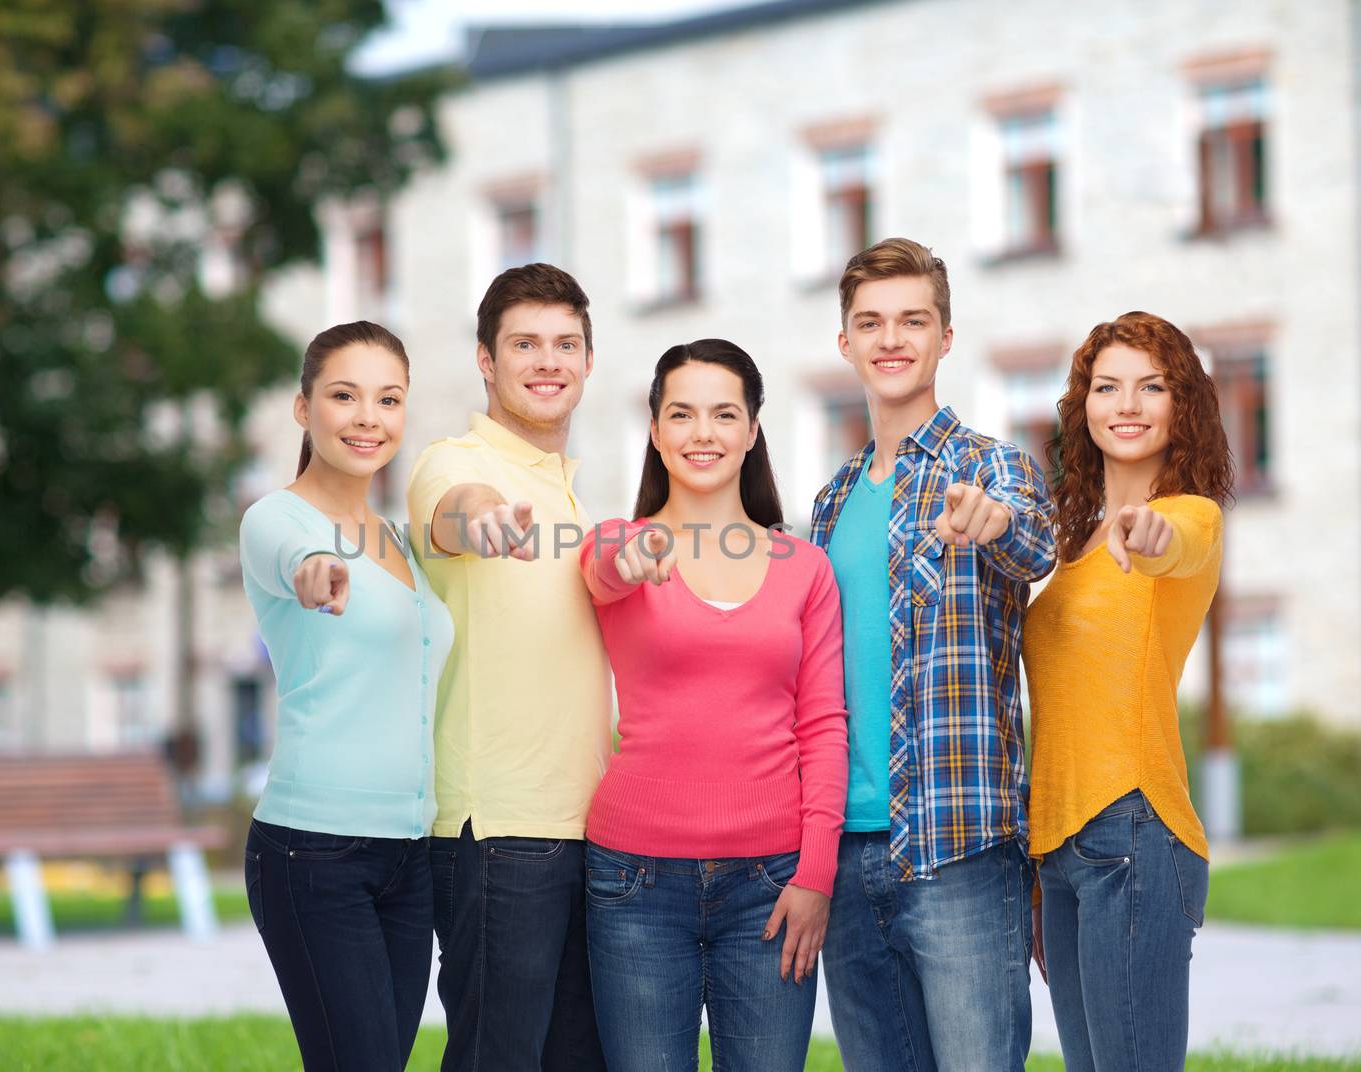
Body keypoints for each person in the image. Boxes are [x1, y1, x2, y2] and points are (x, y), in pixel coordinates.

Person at [810, 237, 1055, 1071]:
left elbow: (1032, 543)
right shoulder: (831, 500)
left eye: (913, 320)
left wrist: (992, 521)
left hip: (960, 846)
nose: (891, 339)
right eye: (870, 322)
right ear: (844, 341)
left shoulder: (992, 468)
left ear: (945, 338)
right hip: (843, 851)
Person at [579, 339, 848, 1071]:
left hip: (772, 883)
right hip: (634, 880)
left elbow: (824, 727)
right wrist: (629, 561)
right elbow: (603, 573)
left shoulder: (805, 568)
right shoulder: (619, 543)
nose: (704, 433)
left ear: (753, 430)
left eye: (724, 414)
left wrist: (816, 874)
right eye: (682, 414)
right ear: (656, 430)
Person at [406, 263, 611, 1070]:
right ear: (486, 362)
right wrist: (483, 520)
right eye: (524, 344)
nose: (548, 361)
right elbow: (452, 512)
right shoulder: (452, 463)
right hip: (497, 831)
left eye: (566, 344)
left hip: (588, 831)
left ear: (590, 363)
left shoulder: (573, 496)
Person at [238, 321, 453, 1071]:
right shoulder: (276, 519)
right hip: (314, 851)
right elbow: (298, 558)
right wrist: (314, 568)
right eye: (344, 396)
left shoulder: (398, 540)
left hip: (408, 854)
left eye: (388, 399)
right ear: (304, 409)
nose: (369, 417)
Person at [1024, 311, 1233, 1072]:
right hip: (1060, 850)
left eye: (1153, 386)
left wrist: (1147, 535)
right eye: (1107, 387)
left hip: (1134, 831)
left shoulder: (1189, 518)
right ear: (1084, 407)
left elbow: (1172, 547)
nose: (1128, 404)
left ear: (1183, 406)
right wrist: (1041, 867)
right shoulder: (1069, 540)